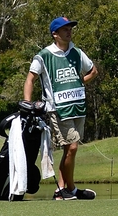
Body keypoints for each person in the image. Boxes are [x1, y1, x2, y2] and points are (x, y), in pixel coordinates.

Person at [23, 17, 98, 200]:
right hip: (58, 109)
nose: (69, 31)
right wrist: (27, 103)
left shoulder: (77, 52)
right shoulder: (44, 55)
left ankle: (62, 189)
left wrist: (80, 82)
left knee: (69, 149)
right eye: (65, 29)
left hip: (77, 107)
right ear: (55, 34)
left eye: (70, 28)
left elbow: (93, 71)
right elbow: (30, 79)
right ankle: (71, 189)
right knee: (72, 147)